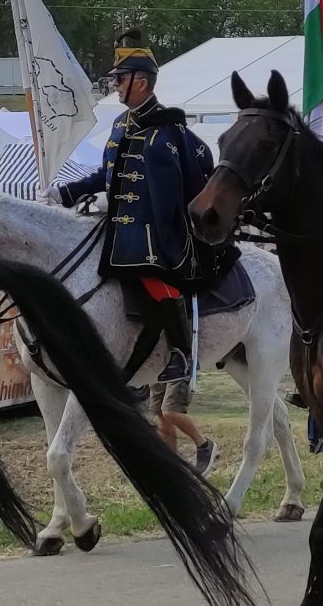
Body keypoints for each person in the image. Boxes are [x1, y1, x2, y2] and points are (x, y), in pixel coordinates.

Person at [57, 31, 211, 390]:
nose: (115, 86)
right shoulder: (120, 124)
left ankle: (181, 352)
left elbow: (171, 190)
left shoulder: (166, 128)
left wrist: (152, 219)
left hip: (156, 226)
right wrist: (66, 191)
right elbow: (106, 172)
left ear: (140, 82)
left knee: (151, 270)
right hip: (119, 225)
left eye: (120, 79)